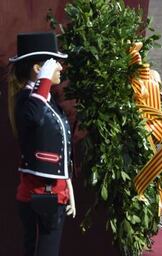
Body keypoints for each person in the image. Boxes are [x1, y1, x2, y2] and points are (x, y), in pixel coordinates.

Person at [8, 32, 76, 256]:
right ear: (39, 69)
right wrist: (44, 80)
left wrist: (68, 186)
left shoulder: (46, 98)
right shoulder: (27, 100)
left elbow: (59, 144)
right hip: (39, 194)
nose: (60, 69)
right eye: (54, 63)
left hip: (54, 193)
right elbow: (34, 117)